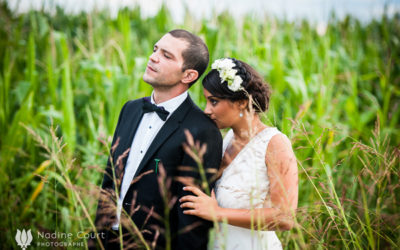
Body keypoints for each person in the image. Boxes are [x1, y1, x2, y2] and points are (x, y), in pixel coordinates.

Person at [90, 29, 223, 250]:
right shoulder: (130, 109)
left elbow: (192, 217)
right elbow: (110, 177)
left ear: (188, 75)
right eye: (155, 50)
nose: (153, 57)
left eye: (166, 55)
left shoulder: (203, 130)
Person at [179, 58, 298, 250]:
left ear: (242, 102)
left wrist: (217, 212)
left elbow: (285, 217)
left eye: (214, 102)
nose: (206, 110)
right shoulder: (224, 140)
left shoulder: (275, 144)